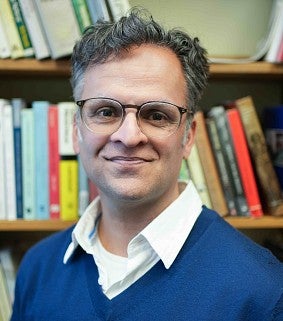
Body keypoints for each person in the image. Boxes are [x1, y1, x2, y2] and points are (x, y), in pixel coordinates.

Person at [11, 8, 283, 321]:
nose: (128, 137)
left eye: (156, 115)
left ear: (188, 136)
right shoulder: (37, 268)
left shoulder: (264, 292)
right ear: (76, 132)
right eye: (105, 112)